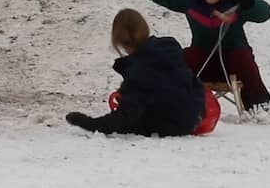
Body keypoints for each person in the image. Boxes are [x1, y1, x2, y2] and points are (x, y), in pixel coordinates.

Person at [105, 0, 270, 114]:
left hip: (234, 62)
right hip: (203, 61)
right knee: (178, 60)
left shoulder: (237, 3)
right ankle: (160, 105)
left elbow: (265, 14)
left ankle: (259, 107)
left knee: (242, 56)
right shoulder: (190, 0)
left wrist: (248, 2)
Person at [65, 9, 207, 137]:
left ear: (120, 42)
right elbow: (192, 82)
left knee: (135, 120)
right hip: (192, 117)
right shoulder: (170, 50)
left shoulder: (139, 70)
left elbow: (125, 117)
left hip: (171, 126)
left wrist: (88, 123)